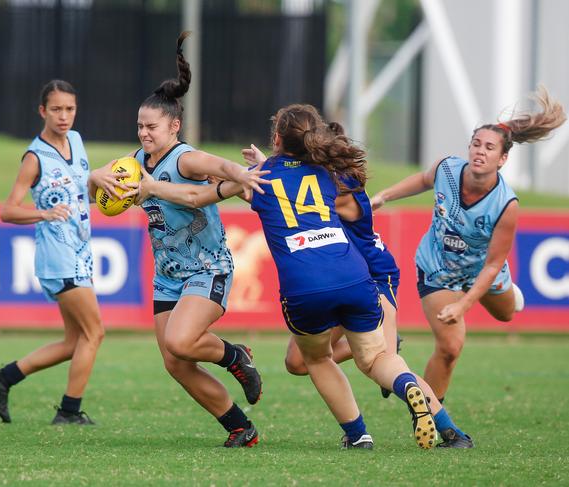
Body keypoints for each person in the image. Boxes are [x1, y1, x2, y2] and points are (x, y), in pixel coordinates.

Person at [133, 104, 438, 450]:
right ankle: (406, 386)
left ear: (277, 138)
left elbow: (205, 194)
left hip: (306, 287)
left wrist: (155, 188)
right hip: (355, 276)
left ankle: (358, 435)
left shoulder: (261, 176)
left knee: (316, 358)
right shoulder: (330, 173)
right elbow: (307, 186)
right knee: (375, 358)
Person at [90, 32, 268, 448]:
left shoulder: (183, 158)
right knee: (175, 361)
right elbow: (96, 190)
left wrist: (238, 174)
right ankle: (241, 428)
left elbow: (213, 169)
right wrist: (92, 177)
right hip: (168, 275)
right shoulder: (134, 163)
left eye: (151, 126)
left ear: (174, 126)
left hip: (207, 270)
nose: (144, 133)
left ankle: (234, 356)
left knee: (180, 341)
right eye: (139, 126)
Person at [243, 127, 473, 448]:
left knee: (383, 362)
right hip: (355, 277)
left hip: (374, 277)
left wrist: (267, 167)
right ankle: (378, 350)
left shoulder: (334, 188)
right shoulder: (333, 179)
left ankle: (451, 432)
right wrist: (272, 163)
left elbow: (292, 195)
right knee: (297, 363)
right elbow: (296, 189)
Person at [371, 86, 566, 406]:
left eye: (489, 147)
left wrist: (464, 306)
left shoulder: (506, 204)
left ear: (502, 159)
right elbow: (422, 179)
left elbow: (492, 264)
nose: (480, 151)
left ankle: (507, 293)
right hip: (438, 268)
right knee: (450, 348)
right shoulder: (448, 168)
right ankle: (432, 418)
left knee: (506, 314)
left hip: (482, 269)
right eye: (476, 144)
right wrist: (384, 196)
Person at [0, 80, 108, 425]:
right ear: (43, 111)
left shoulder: (77, 142)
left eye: (70, 109)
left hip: (81, 253)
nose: (64, 116)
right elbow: (9, 210)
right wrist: (44, 213)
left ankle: (3, 378)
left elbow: (82, 194)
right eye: (56, 109)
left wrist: (109, 191)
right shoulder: (34, 157)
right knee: (94, 333)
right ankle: (69, 412)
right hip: (58, 257)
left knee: (73, 342)